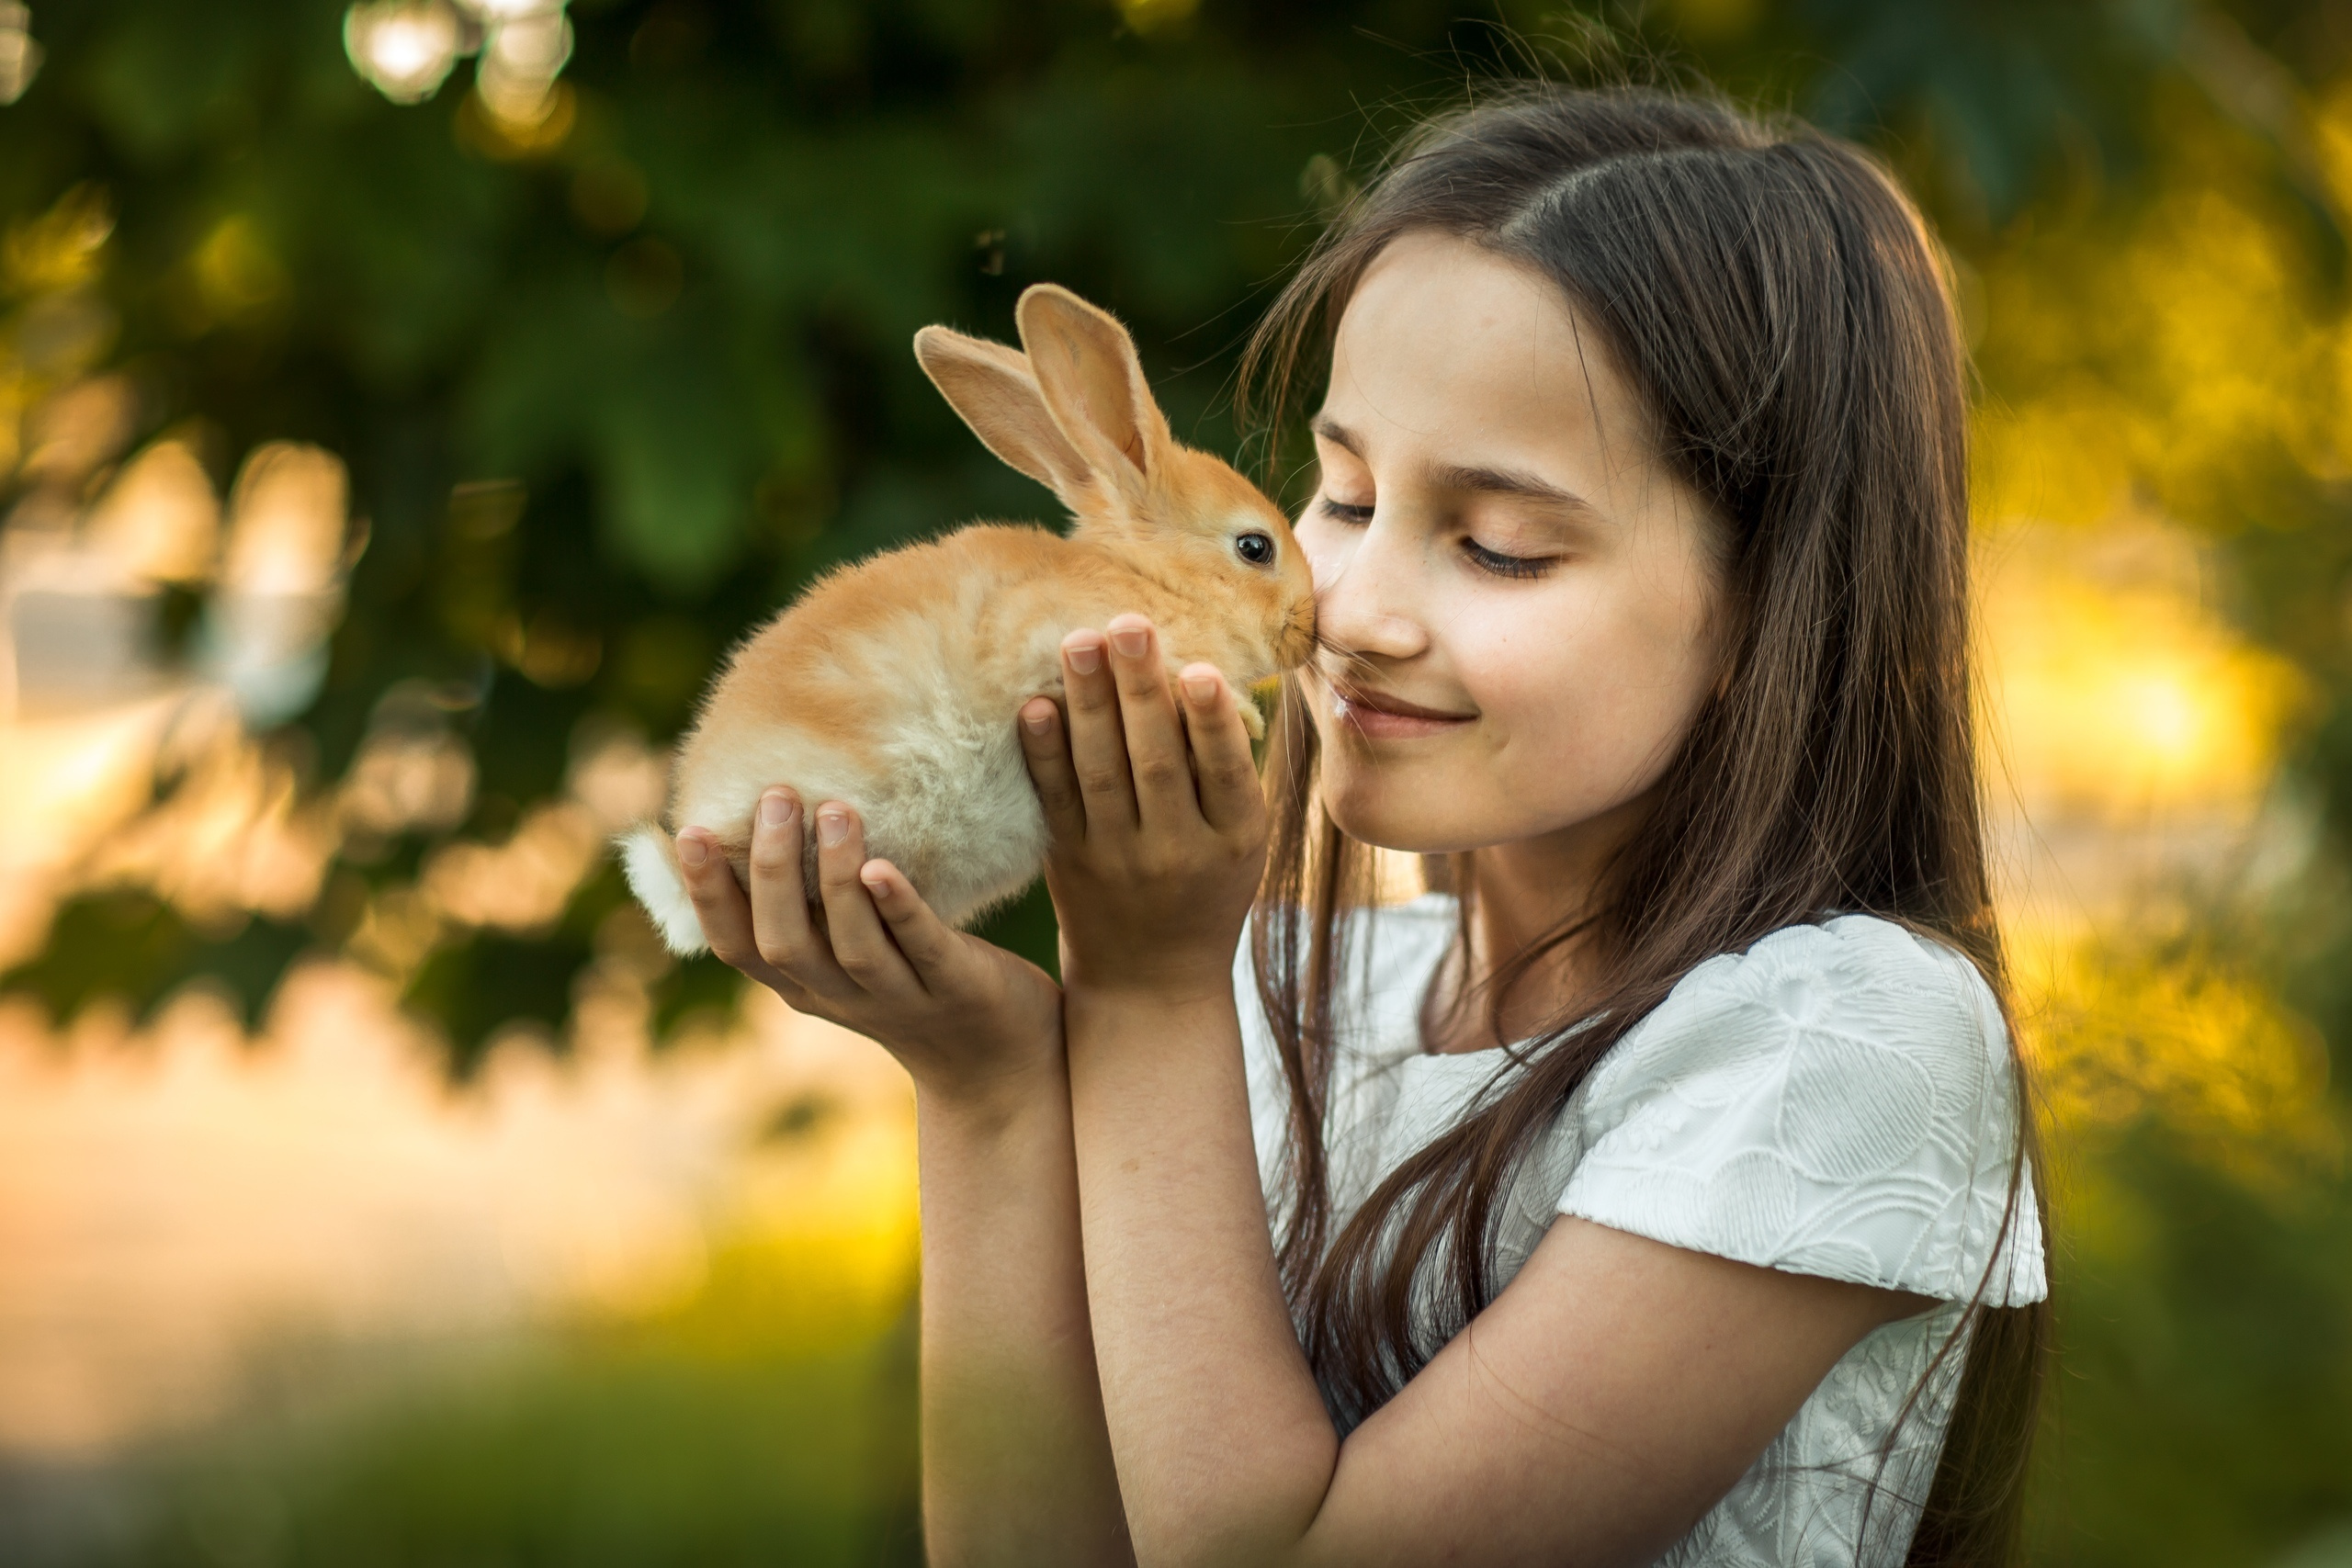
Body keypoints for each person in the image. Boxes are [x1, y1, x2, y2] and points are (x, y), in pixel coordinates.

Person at [670, 83, 2050, 1568]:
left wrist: (1140, 988)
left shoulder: (1841, 1045)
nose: (1352, 613)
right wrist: (994, 1084)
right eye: (1340, 494)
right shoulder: (1301, 994)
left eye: (1500, 546)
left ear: (1774, 608)